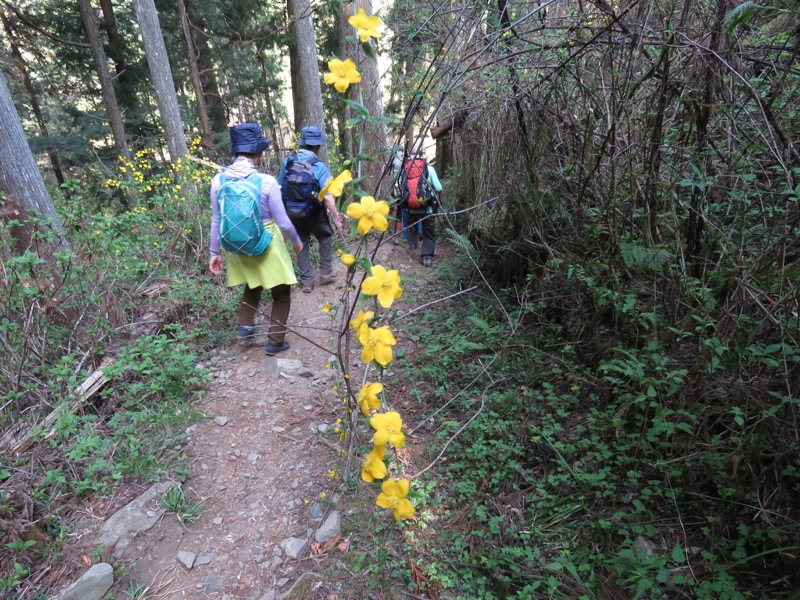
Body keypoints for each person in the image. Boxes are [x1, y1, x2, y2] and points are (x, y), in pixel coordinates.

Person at [208, 122, 303, 355]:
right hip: (266, 242)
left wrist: (214, 253)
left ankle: (245, 326)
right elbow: (283, 223)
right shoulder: (267, 182)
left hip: (236, 245)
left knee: (253, 283)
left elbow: (216, 220)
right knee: (281, 294)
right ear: (257, 152)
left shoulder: (218, 181)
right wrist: (296, 241)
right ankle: (275, 341)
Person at [277, 125, 343, 293]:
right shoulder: (319, 166)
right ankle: (326, 273)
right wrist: (336, 217)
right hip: (314, 212)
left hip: (293, 213)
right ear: (316, 146)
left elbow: (279, 187)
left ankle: (306, 281)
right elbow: (327, 196)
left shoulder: (288, 162)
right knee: (325, 235)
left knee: (301, 242)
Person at [403, 150, 443, 267]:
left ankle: (412, 250)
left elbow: (401, 188)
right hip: (427, 208)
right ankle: (427, 257)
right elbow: (439, 188)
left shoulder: (406, 169)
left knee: (412, 228)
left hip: (410, 207)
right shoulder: (429, 169)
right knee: (428, 233)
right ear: (423, 158)